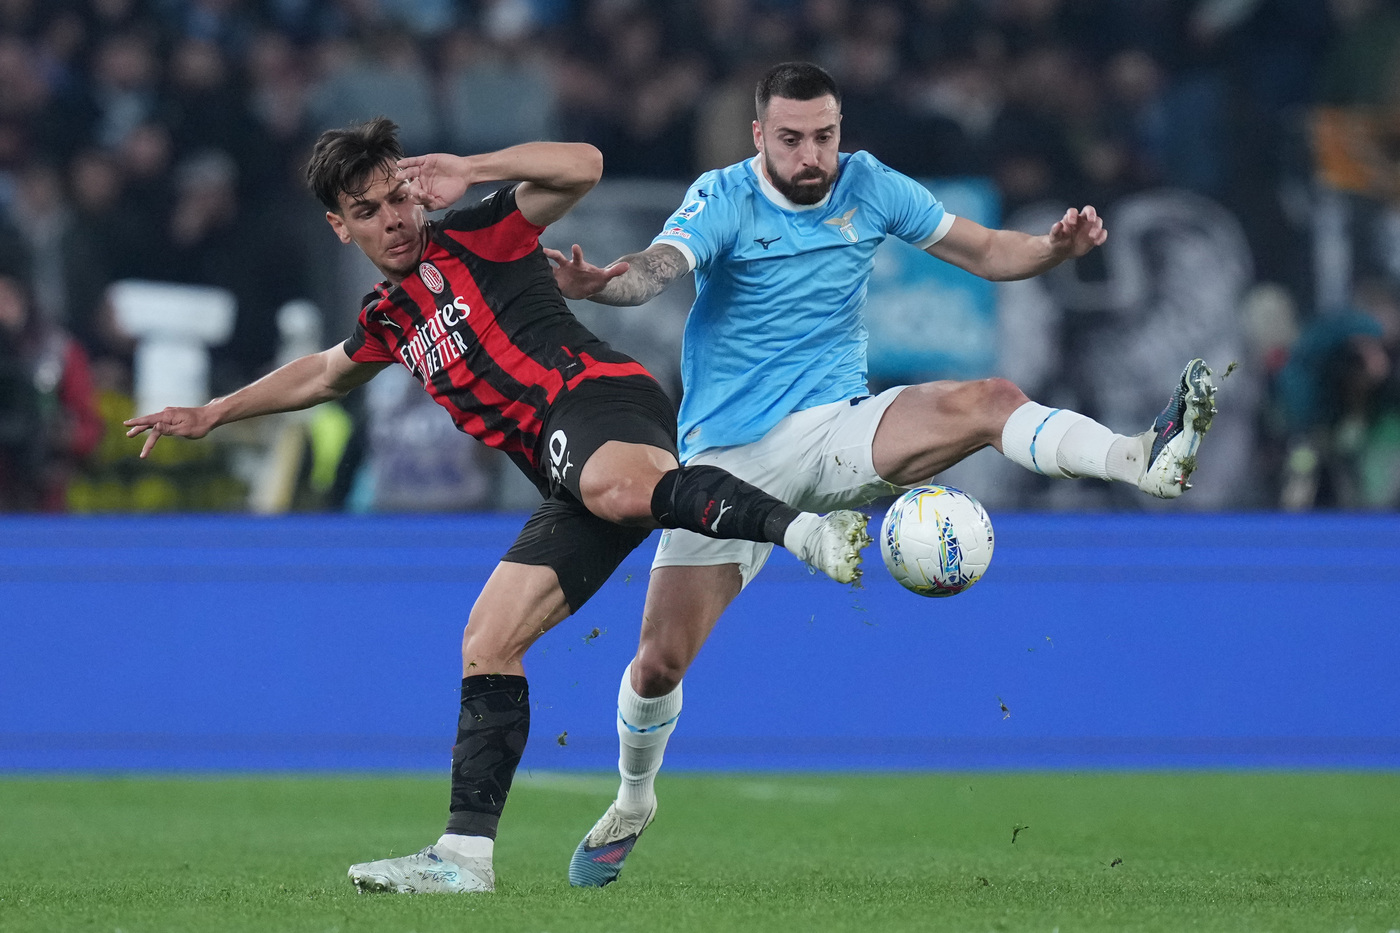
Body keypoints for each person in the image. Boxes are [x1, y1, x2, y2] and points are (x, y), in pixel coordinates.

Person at [123, 117, 873, 895]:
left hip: (599, 400)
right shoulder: (390, 318)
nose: (395, 219)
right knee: (489, 637)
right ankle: (463, 856)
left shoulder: (478, 232)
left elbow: (585, 161)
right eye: (371, 210)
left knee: (617, 486)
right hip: (563, 471)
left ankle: (806, 532)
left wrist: (471, 168)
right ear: (339, 228)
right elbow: (322, 374)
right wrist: (212, 412)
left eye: (398, 197)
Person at [545, 62, 1219, 887]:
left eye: (823, 135)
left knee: (987, 398)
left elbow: (986, 251)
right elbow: (658, 266)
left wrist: (1052, 248)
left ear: (839, 130)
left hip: (838, 428)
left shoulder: (870, 186)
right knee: (658, 663)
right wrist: (605, 283)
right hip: (729, 464)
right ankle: (634, 798)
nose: (810, 154)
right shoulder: (723, 195)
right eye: (790, 138)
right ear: (760, 136)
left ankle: (1138, 460)